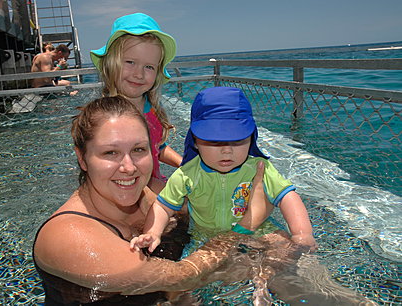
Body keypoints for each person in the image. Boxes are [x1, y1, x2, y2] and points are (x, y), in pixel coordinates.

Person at [32, 95, 275, 305]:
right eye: (110, 153)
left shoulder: (153, 193)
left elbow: (207, 214)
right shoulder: (69, 233)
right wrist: (244, 226)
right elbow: (181, 275)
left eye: (139, 150)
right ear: (82, 158)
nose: (129, 167)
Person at [130, 87, 317, 255]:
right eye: (214, 141)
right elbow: (163, 206)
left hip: (259, 231)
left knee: (282, 252)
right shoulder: (187, 174)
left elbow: (288, 197)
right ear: (195, 141)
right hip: (204, 237)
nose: (227, 150)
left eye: (237, 140)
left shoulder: (259, 168)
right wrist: (153, 233)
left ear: (252, 138)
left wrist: (302, 234)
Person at [90, 13, 182, 193]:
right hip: (127, 189)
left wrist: (182, 163)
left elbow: (157, 147)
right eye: (130, 62)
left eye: (149, 67)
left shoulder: (151, 109)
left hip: (152, 185)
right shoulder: (107, 119)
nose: (139, 74)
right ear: (110, 64)